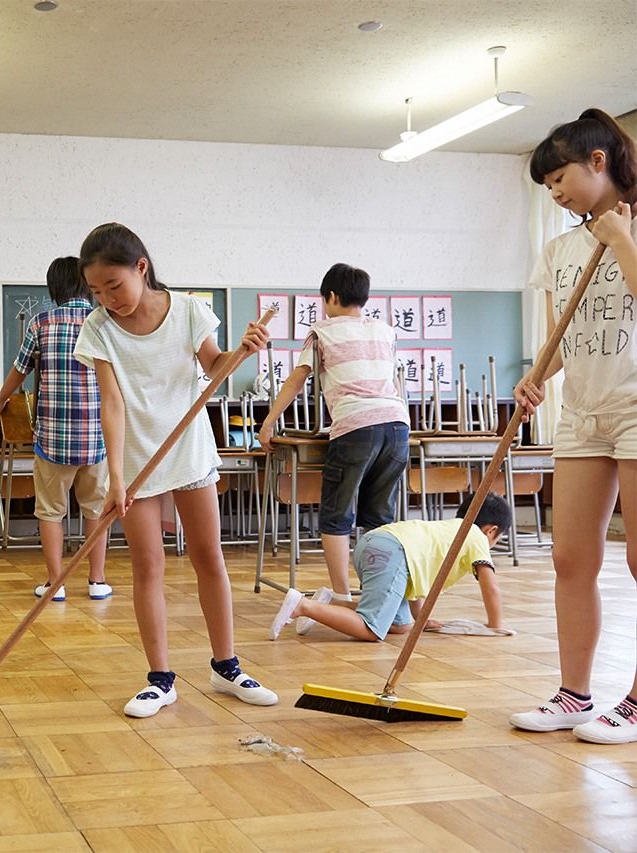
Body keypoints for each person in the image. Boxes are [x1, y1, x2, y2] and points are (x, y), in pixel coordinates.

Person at [72, 222, 276, 717]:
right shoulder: (97, 327)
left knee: (210, 557)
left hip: (188, 452)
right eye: (97, 291)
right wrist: (116, 477)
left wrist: (242, 352)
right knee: (148, 567)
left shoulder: (187, 310)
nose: (107, 299)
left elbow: (214, 367)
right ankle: (161, 679)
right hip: (137, 460)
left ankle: (226, 666)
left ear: (141, 268)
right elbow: (111, 402)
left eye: (114, 286)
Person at [510, 108, 637, 745]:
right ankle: (574, 694)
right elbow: (565, 336)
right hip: (583, 413)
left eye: (559, 177)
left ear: (598, 161)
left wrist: (619, 239)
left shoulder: (630, 230)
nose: (555, 193)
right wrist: (537, 376)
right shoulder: (561, 247)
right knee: (569, 558)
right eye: (547, 186)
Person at [258, 263, 409, 617]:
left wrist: (269, 422)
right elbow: (394, 382)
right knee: (380, 520)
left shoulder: (321, 331)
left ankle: (342, 596)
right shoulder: (386, 331)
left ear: (332, 297)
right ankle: (381, 597)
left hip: (356, 427)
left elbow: (298, 380)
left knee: (336, 517)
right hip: (398, 425)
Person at [0, 256, 111, 601]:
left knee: (50, 511)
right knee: (96, 510)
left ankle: (55, 585)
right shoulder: (104, 322)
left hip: (54, 439)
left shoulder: (42, 322)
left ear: (55, 287)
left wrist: (1, 402)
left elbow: (19, 370)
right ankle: (97, 581)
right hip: (97, 437)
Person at [270, 494, 509, 642]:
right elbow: (491, 588)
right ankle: (304, 606)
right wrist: (495, 626)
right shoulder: (476, 536)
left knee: (400, 625)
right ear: (491, 531)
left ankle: (330, 603)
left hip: (375, 544)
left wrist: (422, 619)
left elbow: (417, 580)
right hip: (392, 553)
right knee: (371, 629)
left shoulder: (448, 528)